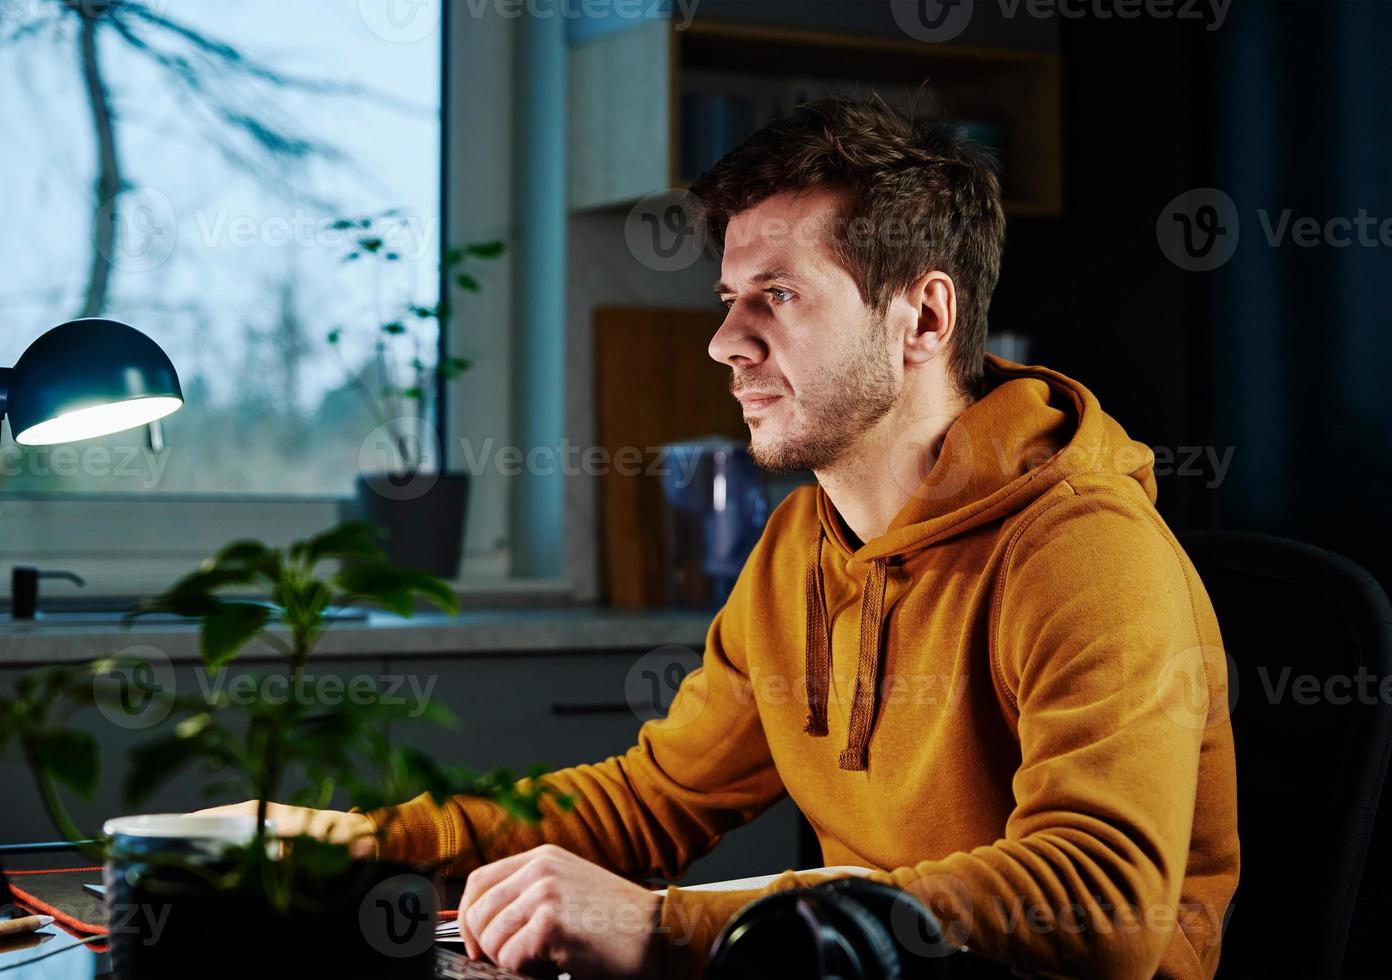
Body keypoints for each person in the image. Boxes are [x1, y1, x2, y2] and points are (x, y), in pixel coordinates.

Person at [210, 95, 1239, 979]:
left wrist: (666, 925)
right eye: (726, 299)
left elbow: (1102, 902)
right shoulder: (801, 544)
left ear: (923, 318)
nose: (721, 342)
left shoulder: (1082, 548)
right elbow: (653, 798)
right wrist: (362, 843)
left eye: (776, 297)